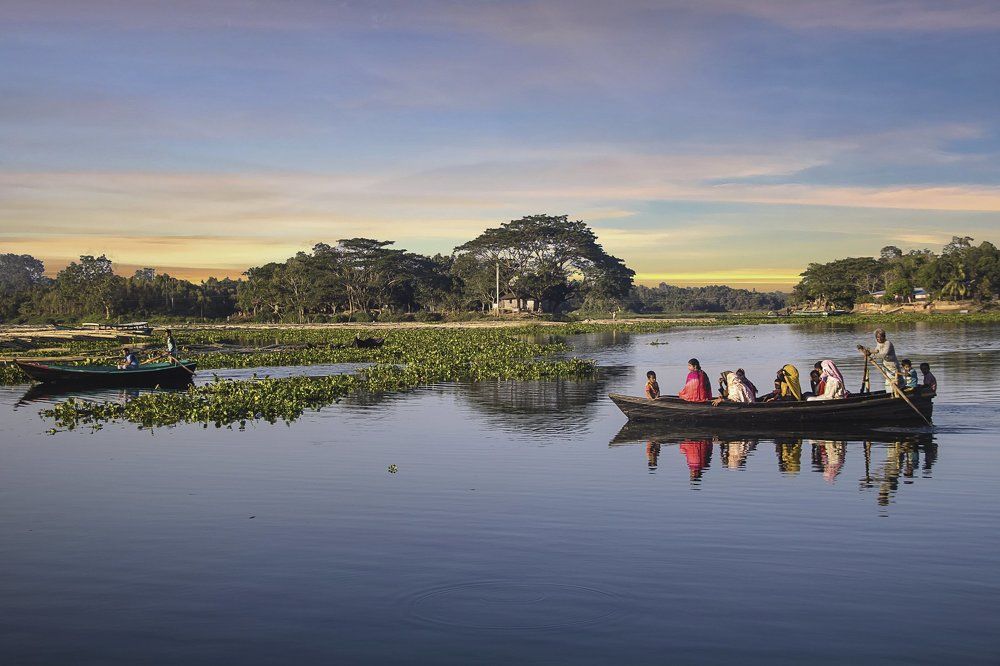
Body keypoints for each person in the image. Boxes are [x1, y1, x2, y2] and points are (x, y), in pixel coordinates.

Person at [859, 328, 901, 393]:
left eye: (880, 337)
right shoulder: (879, 343)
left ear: (884, 337)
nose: (878, 339)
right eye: (877, 337)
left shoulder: (888, 343)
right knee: (888, 384)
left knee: (894, 383)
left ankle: (895, 395)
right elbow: (876, 351)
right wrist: (868, 352)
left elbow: (883, 354)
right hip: (886, 367)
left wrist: (873, 356)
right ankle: (891, 394)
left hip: (893, 367)